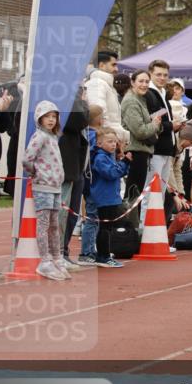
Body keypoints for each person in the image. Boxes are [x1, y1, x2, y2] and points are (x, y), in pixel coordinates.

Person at [23, 101, 69, 281]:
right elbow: (27, 158)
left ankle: (57, 257)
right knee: (44, 224)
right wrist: (36, 173)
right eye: (47, 116)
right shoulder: (40, 136)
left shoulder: (52, 137)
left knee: (54, 224)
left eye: (53, 116)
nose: (51, 120)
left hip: (55, 186)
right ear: (39, 118)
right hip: (43, 186)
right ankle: (45, 260)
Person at [120, 70, 163, 229]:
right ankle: (128, 231)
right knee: (133, 194)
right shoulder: (131, 101)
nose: (144, 85)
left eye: (147, 81)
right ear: (132, 82)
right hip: (135, 152)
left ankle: (132, 230)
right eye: (141, 81)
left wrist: (153, 125)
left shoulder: (140, 100)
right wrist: (155, 125)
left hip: (142, 152)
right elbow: (139, 131)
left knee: (136, 194)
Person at [145, 60, 182, 222]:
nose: (162, 78)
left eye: (165, 75)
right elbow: (153, 119)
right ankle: (145, 234)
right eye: (158, 74)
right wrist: (171, 125)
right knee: (151, 196)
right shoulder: (149, 93)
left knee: (159, 195)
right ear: (151, 74)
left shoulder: (161, 93)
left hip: (167, 149)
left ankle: (156, 236)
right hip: (156, 150)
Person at [90, 127, 130, 268]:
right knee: (105, 227)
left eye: (115, 141)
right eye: (109, 141)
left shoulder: (109, 157)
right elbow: (111, 173)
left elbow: (118, 172)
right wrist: (124, 163)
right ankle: (103, 256)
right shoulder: (101, 158)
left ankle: (104, 254)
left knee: (107, 227)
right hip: (104, 197)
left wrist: (125, 163)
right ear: (99, 144)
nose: (113, 144)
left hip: (111, 196)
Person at [58, 90, 89, 269]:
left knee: (72, 211)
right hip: (66, 164)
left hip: (77, 164)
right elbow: (78, 121)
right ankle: (58, 252)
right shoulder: (64, 92)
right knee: (63, 210)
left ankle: (64, 250)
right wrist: (84, 104)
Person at [77, 104, 104, 266]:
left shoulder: (86, 133)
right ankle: (86, 251)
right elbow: (93, 154)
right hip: (93, 181)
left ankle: (91, 249)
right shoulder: (93, 135)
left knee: (94, 217)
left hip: (89, 179)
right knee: (92, 217)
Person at [84, 50, 129, 145]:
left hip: (110, 141)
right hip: (105, 143)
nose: (116, 69)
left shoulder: (106, 85)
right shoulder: (97, 83)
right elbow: (98, 115)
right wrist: (111, 139)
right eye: (113, 65)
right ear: (101, 65)